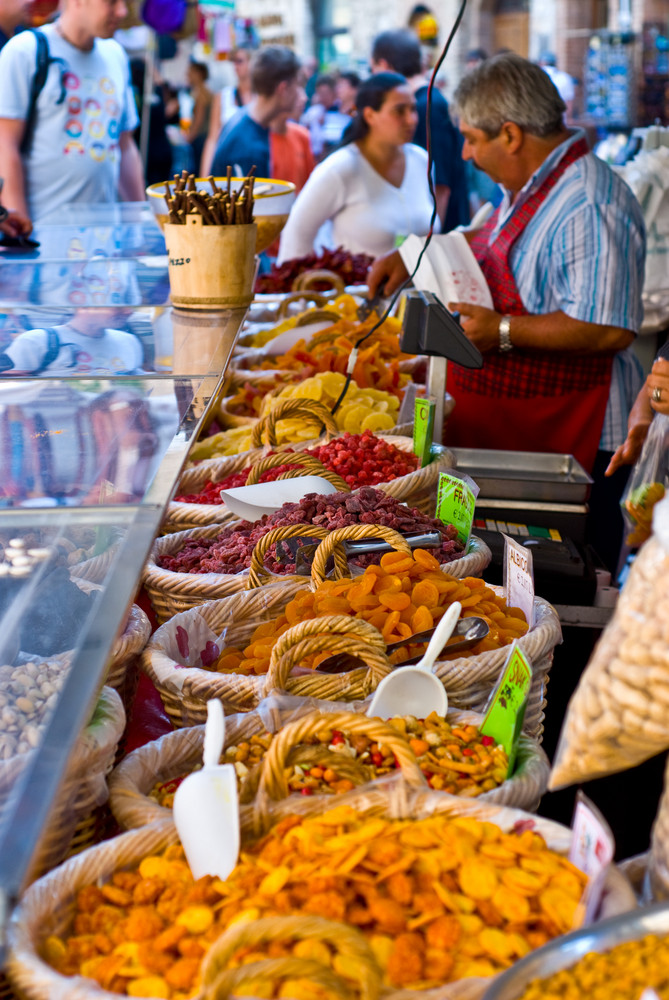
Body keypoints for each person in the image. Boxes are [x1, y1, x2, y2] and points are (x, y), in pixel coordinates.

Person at [367, 53, 645, 479]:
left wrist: (501, 330)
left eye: (472, 139)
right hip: (510, 429)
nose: (465, 154)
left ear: (511, 135)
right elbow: (499, 238)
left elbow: (608, 327)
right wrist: (414, 255)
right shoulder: (532, 184)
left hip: (569, 439)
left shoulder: (589, 203)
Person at [0, 0, 145, 226]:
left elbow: (125, 146)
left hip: (104, 241)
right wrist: (18, 227)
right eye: (111, 2)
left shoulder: (115, 54)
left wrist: (141, 224)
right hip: (44, 238)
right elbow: (5, 144)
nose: (122, 11)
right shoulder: (25, 51)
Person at [278, 72, 436, 264]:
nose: (411, 119)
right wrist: (302, 289)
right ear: (370, 115)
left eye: (413, 109)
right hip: (358, 292)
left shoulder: (422, 161)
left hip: (421, 292)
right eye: (399, 111)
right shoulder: (339, 169)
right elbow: (296, 235)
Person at [371, 28, 469, 231]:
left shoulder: (429, 106)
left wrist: (431, 245)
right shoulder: (423, 102)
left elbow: (440, 185)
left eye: (373, 70)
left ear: (384, 65)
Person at [210, 46, 300, 180]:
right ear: (283, 89)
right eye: (297, 85)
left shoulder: (245, 119)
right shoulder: (249, 150)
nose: (301, 94)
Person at [0, 307, 144, 375]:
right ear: (83, 306)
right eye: (118, 306)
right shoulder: (35, 341)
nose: (128, 311)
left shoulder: (129, 341)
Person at [200, 47, 253, 177]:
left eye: (240, 61)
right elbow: (212, 139)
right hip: (228, 166)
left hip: (253, 163)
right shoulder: (223, 96)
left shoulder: (262, 97)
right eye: (233, 61)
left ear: (252, 63)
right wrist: (204, 177)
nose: (235, 66)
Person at [129, 57, 172, 188]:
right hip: (162, 151)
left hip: (146, 153)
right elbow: (162, 84)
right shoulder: (156, 92)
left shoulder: (134, 97)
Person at [184, 60, 212, 175]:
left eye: (190, 72)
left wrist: (188, 138)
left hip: (201, 139)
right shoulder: (205, 91)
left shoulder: (201, 94)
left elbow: (199, 121)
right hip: (203, 138)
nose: (187, 75)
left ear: (199, 74)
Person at [538, 52, 575, 121]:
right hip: (560, 119)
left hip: (540, 118)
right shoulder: (565, 77)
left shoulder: (537, 76)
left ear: (542, 63)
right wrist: (569, 118)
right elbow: (569, 102)